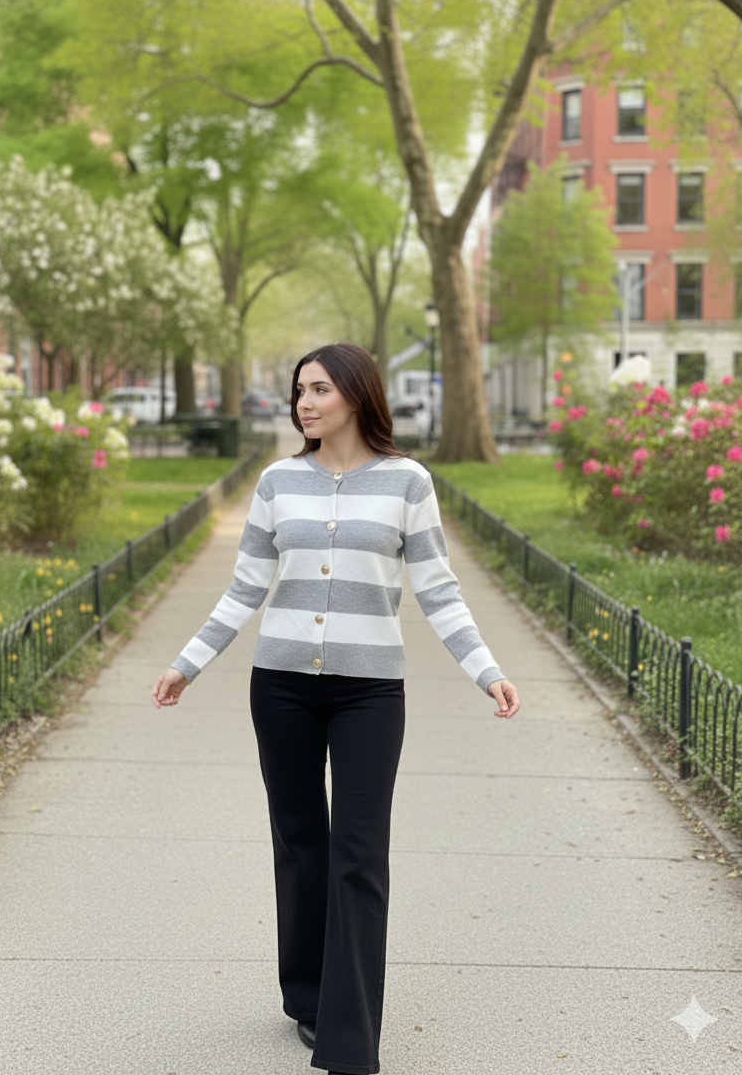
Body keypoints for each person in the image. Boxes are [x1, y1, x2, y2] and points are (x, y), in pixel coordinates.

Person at [152, 343, 520, 1075]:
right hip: (281, 686)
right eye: (299, 391)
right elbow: (245, 587)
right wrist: (187, 662)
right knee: (299, 843)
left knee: (359, 853)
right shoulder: (278, 481)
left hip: (369, 693)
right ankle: (307, 995)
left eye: (319, 389)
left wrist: (486, 670)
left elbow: (438, 590)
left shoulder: (407, 482)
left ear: (356, 393)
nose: (305, 403)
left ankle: (350, 1037)